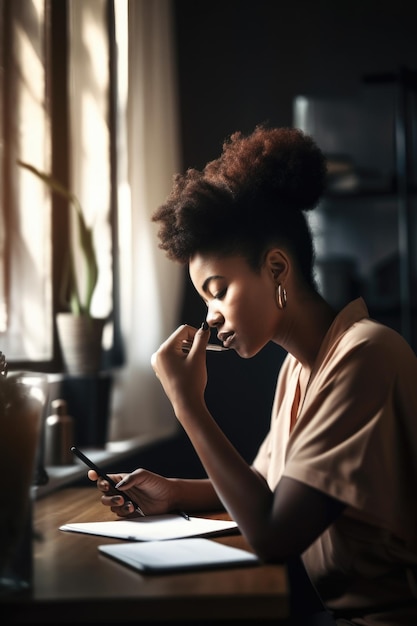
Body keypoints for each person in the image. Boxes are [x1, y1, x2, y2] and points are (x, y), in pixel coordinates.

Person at [88, 126, 417, 625]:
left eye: (218, 291)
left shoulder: (366, 356)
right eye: (204, 300)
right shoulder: (299, 368)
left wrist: (188, 405)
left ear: (278, 268)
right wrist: (174, 491)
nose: (210, 317)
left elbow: (273, 534)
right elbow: (269, 484)